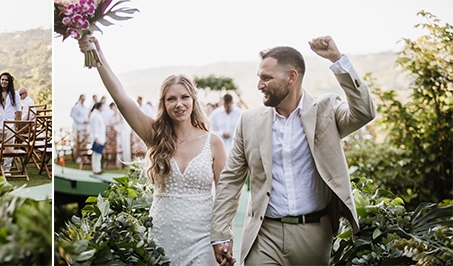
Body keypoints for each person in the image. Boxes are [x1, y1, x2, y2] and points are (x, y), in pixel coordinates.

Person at [210, 36, 377, 266]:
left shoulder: (326, 109)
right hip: (264, 234)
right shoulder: (248, 121)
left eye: (266, 78)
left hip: (314, 235)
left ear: (291, 77)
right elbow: (230, 180)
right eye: (259, 78)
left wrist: (337, 60)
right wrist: (220, 232)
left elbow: (364, 112)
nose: (259, 85)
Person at [80, 35, 226, 265]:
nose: (179, 104)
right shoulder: (154, 135)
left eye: (184, 97)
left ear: (193, 100)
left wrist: (223, 238)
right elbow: (121, 98)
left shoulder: (214, 142)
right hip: (162, 236)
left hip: (203, 239)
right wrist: (98, 56)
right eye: (171, 99)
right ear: (164, 104)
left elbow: (225, 197)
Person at [0, 72, 21, 173]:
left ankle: (6, 170)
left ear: (9, 82)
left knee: (9, 149)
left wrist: (17, 123)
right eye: (2, 79)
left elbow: (18, 110)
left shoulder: (15, 94)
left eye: (6, 80)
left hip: (10, 126)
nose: (4, 82)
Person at [89, 102, 106, 174]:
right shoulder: (95, 115)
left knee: (97, 154)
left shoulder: (97, 114)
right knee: (97, 154)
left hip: (100, 136)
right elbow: (95, 127)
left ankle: (96, 168)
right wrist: (96, 138)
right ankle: (96, 169)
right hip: (97, 137)